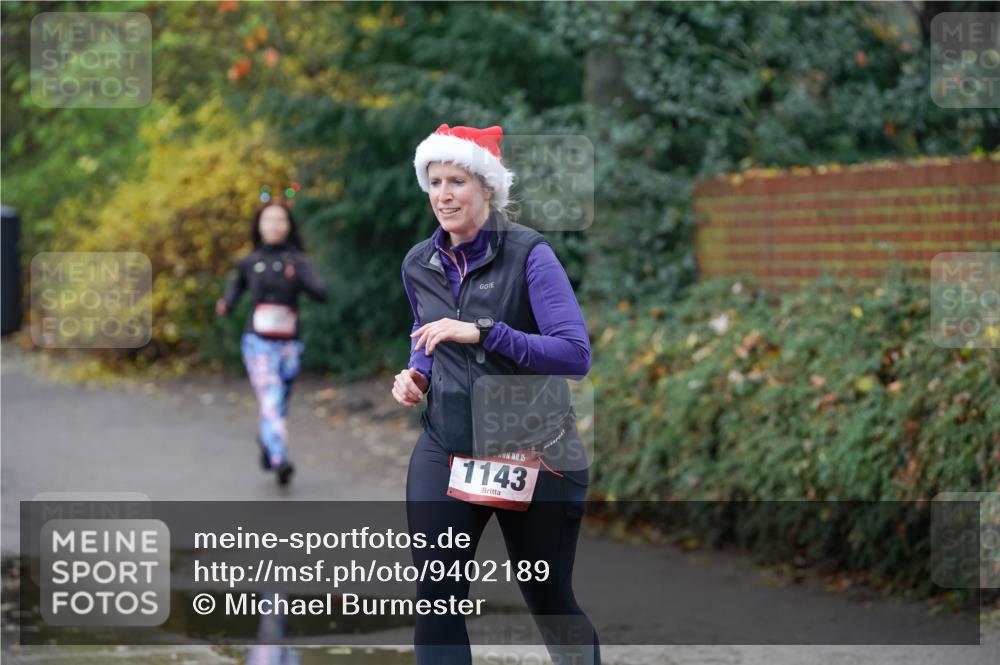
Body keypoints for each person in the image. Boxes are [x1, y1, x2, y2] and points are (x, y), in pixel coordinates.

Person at [393, 124, 600, 665]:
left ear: (487, 187)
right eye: (435, 182)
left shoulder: (530, 254)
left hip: (535, 453)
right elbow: (425, 334)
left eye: (456, 181)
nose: (443, 195)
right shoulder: (419, 263)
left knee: (550, 601)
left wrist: (485, 332)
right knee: (436, 600)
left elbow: (575, 354)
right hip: (448, 447)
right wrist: (417, 374)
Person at [217, 192, 327, 486]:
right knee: (271, 396)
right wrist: (226, 304)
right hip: (258, 343)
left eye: (280, 220)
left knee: (279, 401)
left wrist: (302, 276)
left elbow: (320, 292)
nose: (275, 225)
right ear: (259, 225)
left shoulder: (297, 261)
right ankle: (279, 459)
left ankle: (268, 441)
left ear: (288, 226)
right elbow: (234, 291)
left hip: (290, 343)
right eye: (269, 219)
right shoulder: (249, 262)